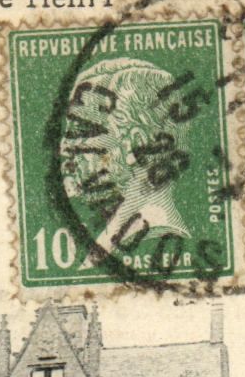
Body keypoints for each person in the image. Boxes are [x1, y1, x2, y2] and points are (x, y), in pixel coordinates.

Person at [57, 56, 194, 264]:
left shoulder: (146, 242)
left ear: (137, 145)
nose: (64, 149)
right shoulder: (109, 242)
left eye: (83, 130)